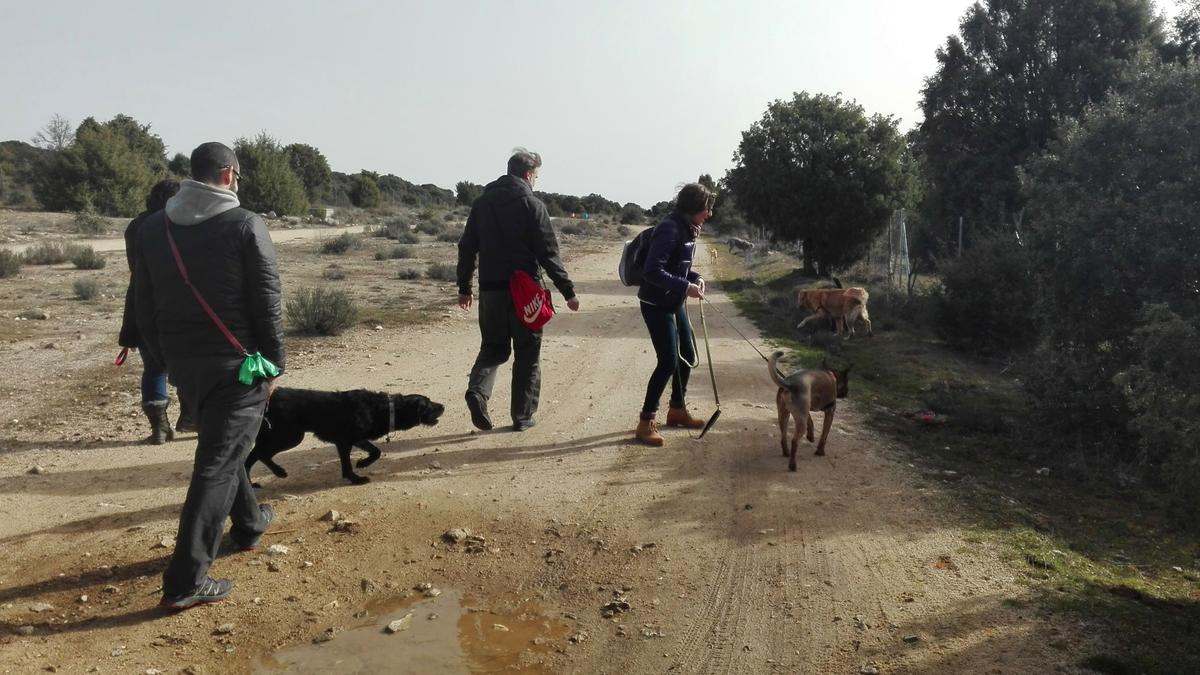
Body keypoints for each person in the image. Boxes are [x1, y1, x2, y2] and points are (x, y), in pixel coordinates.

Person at [134, 141, 285, 610]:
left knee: (225, 445)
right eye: (237, 175)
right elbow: (266, 300)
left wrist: (162, 360)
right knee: (217, 463)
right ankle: (185, 581)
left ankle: (250, 524)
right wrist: (274, 363)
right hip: (237, 364)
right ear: (227, 174)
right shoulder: (245, 223)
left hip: (182, 361)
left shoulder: (153, 226)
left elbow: (142, 298)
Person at [456, 148, 580, 432]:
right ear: (528, 174)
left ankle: (478, 392)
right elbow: (548, 252)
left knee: (492, 348)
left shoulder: (482, 203)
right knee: (527, 354)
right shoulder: (532, 205)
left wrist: (465, 286)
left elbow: (466, 247)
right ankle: (522, 417)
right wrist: (567, 290)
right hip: (526, 294)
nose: (536, 180)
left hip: (490, 291)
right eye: (536, 175)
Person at [634, 183, 714, 446]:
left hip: (674, 301)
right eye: (706, 208)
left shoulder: (688, 227)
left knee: (687, 355)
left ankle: (677, 410)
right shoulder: (670, 228)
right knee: (668, 361)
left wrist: (696, 278)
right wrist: (685, 286)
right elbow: (652, 271)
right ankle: (646, 422)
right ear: (693, 207)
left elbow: (679, 267)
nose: (709, 213)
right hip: (656, 304)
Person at [119, 179, 183, 444]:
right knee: (188, 363)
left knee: (154, 368)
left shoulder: (136, 226)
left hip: (141, 302)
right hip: (178, 303)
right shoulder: (179, 223)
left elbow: (135, 267)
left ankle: (159, 428)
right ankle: (193, 418)